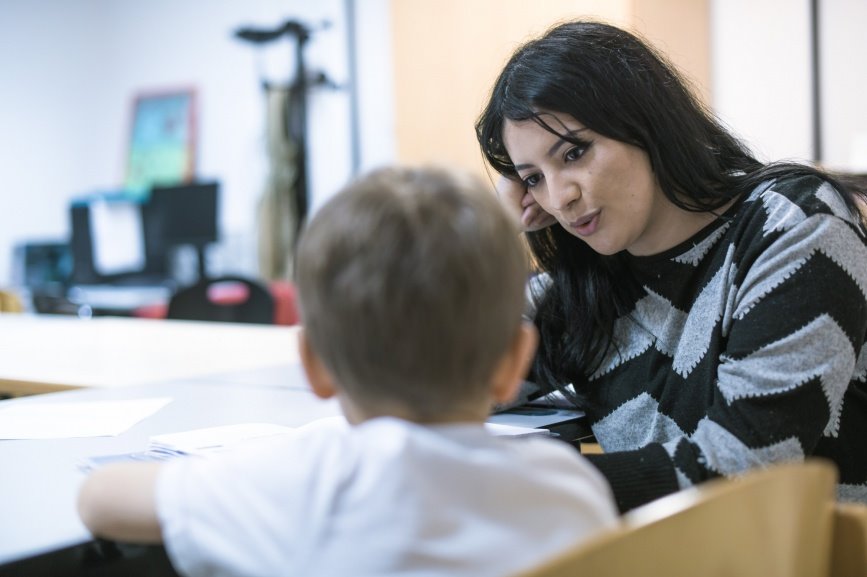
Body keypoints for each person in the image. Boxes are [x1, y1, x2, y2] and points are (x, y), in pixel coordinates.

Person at [77, 166, 619, 577]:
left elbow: (100, 500)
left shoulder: (297, 484)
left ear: (314, 365)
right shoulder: (570, 490)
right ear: (513, 364)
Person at [476, 20, 867, 513]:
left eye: (575, 152)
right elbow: (421, 386)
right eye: (533, 178)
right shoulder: (583, 285)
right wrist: (488, 230)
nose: (559, 197)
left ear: (645, 123)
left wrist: (509, 483)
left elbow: (745, 471)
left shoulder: (793, 226)